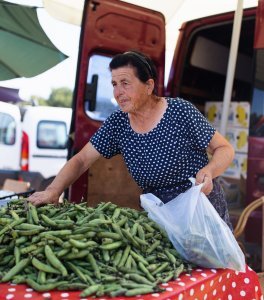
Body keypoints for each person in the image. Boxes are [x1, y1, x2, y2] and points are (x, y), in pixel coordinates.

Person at [28, 50, 235, 228]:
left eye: (125, 83)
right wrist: (53, 190)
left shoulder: (179, 111)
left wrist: (209, 171)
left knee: (213, 272)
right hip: (160, 218)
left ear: (148, 85)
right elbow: (81, 160)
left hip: (201, 212)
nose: (118, 92)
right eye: (114, 84)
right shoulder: (118, 123)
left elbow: (224, 149)